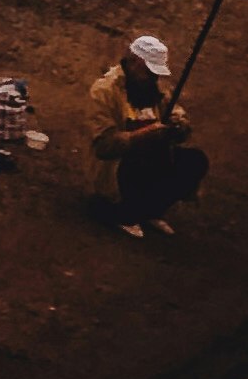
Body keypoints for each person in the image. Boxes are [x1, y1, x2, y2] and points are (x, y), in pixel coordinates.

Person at [89, 33, 209, 238]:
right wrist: (144, 135)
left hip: (151, 158)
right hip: (118, 166)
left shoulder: (155, 87)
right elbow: (104, 147)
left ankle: (149, 210)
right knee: (138, 163)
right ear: (133, 62)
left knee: (194, 161)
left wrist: (179, 125)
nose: (154, 78)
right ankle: (122, 213)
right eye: (149, 72)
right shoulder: (105, 91)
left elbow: (176, 113)